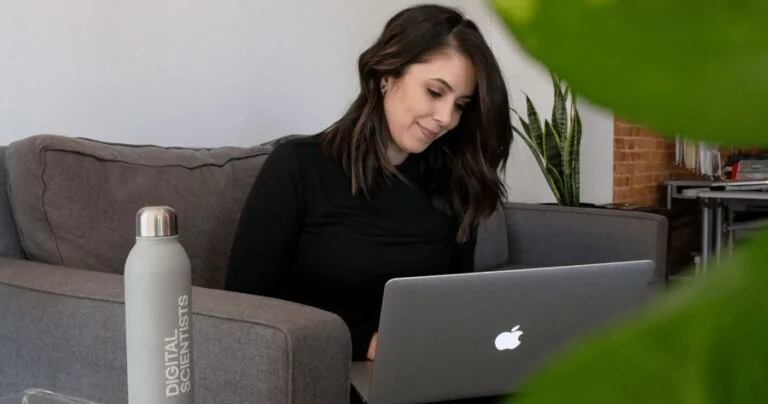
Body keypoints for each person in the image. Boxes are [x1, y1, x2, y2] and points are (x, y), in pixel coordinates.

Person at [226, 4, 513, 402]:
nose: (446, 117)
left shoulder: (453, 185)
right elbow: (246, 307)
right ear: (385, 75)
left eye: (461, 105)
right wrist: (367, 342)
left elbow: (453, 303)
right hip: (329, 373)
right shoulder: (298, 167)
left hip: (427, 374)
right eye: (435, 92)